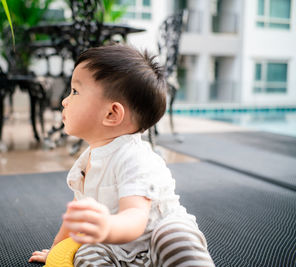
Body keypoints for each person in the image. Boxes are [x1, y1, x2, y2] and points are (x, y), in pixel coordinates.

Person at [29, 44, 214, 266]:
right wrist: (56, 250)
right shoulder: (84, 163)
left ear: (111, 114)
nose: (64, 101)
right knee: (85, 253)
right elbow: (77, 218)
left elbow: (136, 217)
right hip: (117, 250)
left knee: (175, 236)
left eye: (75, 92)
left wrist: (106, 226)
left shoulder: (135, 159)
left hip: (154, 240)